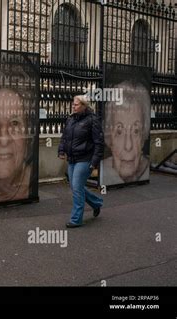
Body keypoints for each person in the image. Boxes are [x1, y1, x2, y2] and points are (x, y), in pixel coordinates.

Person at [58, 95, 104, 228]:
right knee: (75, 187)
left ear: (84, 105)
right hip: (72, 158)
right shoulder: (71, 119)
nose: (73, 106)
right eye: (73, 104)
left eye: (76, 104)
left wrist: (94, 162)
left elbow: (99, 143)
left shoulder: (92, 120)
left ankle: (76, 219)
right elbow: (64, 137)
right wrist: (61, 151)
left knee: (77, 187)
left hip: (85, 159)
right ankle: (96, 203)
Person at [103, 81, 150, 185]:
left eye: (136, 131)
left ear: (143, 138)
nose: (128, 146)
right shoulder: (103, 173)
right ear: (110, 137)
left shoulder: (147, 171)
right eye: (119, 132)